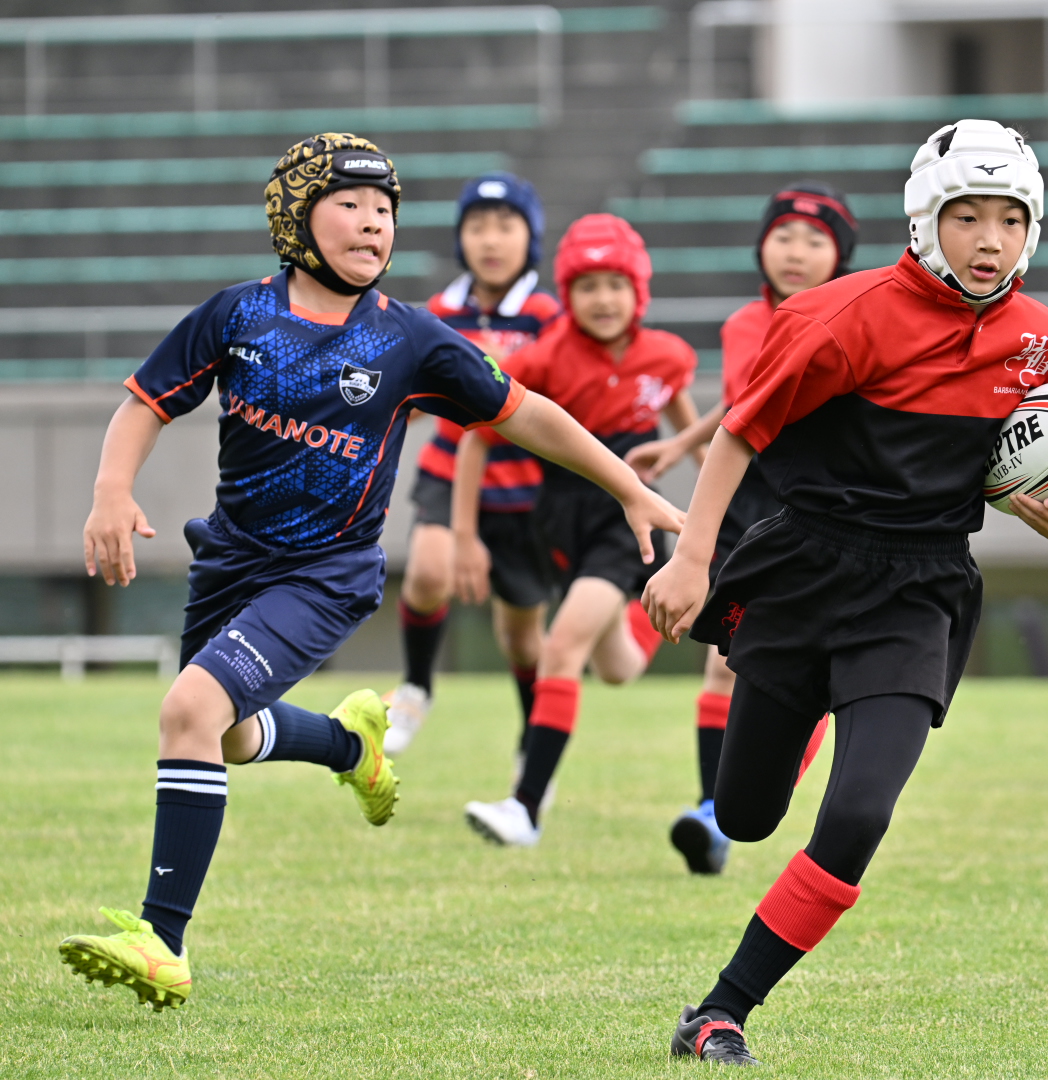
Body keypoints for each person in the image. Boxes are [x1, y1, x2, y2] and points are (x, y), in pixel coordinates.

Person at [58, 135, 683, 1011]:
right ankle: (351, 747)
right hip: (232, 561)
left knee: (188, 710)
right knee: (223, 734)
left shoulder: (409, 337)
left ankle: (162, 941)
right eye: (349, 205)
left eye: (384, 210)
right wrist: (110, 491)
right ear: (295, 218)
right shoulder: (235, 314)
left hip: (327, 574)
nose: (372, 223)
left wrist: (630, 489)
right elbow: (145, 402)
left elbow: (527, 413)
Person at [643, 119, 1048, 1065]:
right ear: (925, 219)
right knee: (744, 815)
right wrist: (691, 559)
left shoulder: (1046, 342)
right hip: (805, 569)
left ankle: (722, 1011)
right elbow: (739, 433)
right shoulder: (838, 315)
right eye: (968, 217)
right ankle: (810, 707)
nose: (990, 241)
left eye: (1011, 220)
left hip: (921, 589)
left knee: (858, 816)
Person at [627, 181, 858, 875]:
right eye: (783, 235)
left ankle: (752, 797)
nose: (796, 251)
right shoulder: (740, 325)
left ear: (841, 256)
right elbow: (744, 404)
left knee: (805, 667)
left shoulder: (853, 317)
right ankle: (712, 813)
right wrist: (679, 445)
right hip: (748, 500)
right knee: (722, 659)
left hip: (816, 502)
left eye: (815, 240)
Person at [461, 213, 701, 848]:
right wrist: (463, 535)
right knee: (616, 667)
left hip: (627, 524)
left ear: (639, 292)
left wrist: (722, 502)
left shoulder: (667, 357)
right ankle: (646, 617)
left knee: (561, 646)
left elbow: (697, 437)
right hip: (561, 522)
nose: (603, 299)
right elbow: (477, 439)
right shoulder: (543, 356)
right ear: (567, 294)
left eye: (616, 285)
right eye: (587, 286)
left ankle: (525, 807)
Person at [386, 172, 560, 756]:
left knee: (521, 637)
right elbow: (413, 395)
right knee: (427, 573)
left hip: (525, 491)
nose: (490, 239)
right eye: (477, 226)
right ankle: (415, 687)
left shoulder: (547, 314)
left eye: (505, 226)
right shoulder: (439, 310)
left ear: (530, 237)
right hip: (447, 470)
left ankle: (533, 742)